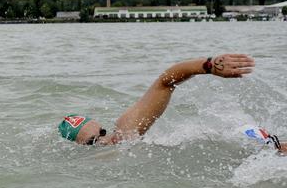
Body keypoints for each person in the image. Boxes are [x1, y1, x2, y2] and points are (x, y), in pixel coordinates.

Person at [58, 54, 258, 146]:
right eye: (93, 142)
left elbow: (165, 81)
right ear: (78, 148)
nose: (104, 140)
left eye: (102, 132)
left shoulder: (125, 133)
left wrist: (208, 65)